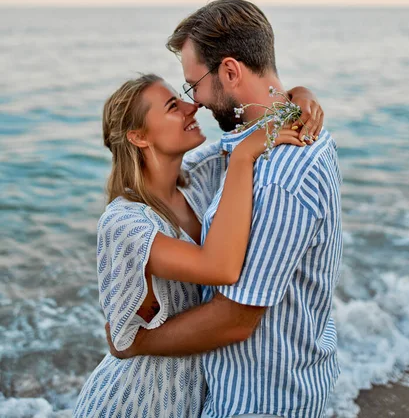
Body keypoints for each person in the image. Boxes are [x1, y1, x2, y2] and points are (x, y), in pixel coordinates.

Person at [108, 0, 342, 418]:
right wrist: (296, 98)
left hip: (261, 400)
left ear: (230, 71)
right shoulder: (249, 153)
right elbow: (231, 150)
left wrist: (137, 342)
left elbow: (235, 317)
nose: (194, 101)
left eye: (192, 84)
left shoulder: (274, 175)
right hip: (180, 395)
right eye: (179, 98)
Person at [74, 71, 319, 418]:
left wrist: (302, 96)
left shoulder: (199, 176)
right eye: (174, 105)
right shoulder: (125, 224)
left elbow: (270, 109)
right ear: (139, 136)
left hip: (190, 399)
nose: (194, 106)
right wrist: (242, 159)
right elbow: (219, 267)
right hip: (132, 401)